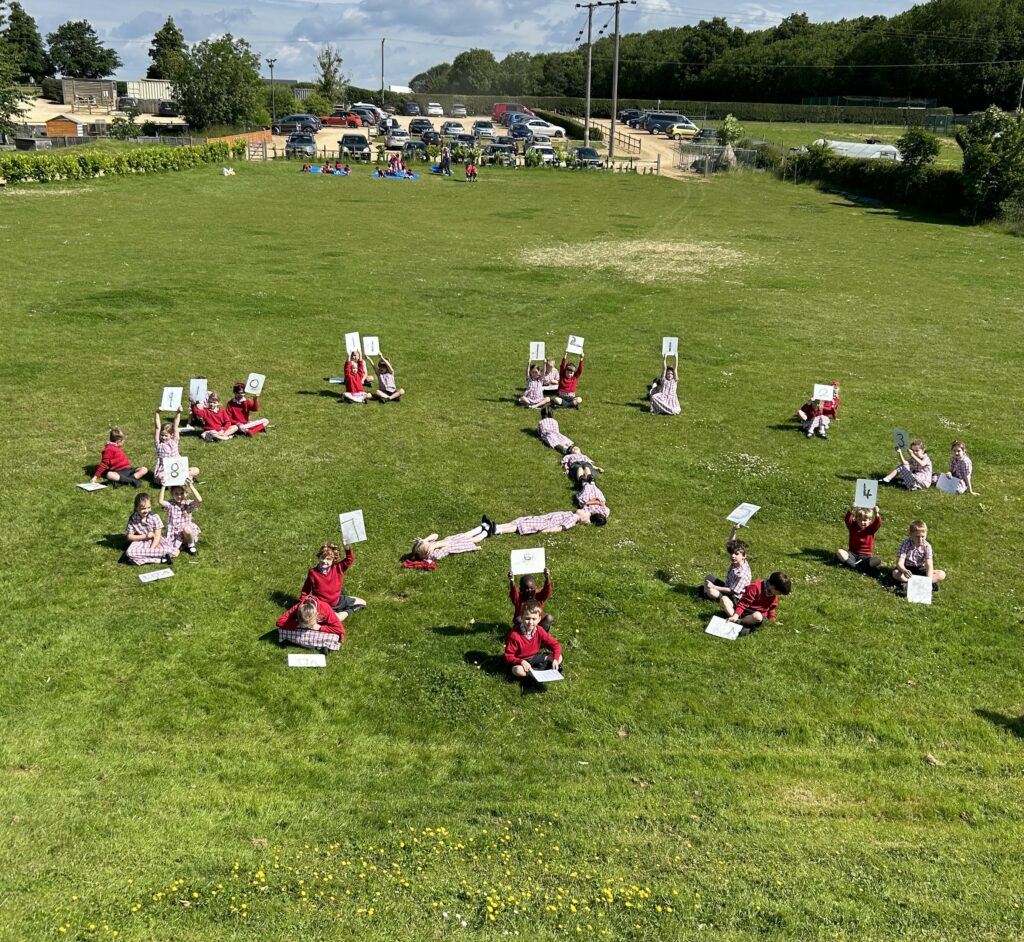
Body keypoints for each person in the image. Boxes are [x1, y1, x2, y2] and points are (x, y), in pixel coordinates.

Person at [301, 542, 366, 616]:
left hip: (337, 601)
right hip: (322, 606)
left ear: (333, 560)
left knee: (363, 603)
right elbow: (305, 590)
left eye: (328, 559)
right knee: (326, 618)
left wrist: (347, 548)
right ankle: (342, 613)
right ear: (319, 557)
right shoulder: (313, 573)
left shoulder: (338, 568)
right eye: (322, 558)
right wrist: (302, 603)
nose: (324, 561)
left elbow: (350, 559)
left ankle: (345, 611)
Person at [503, 602, 562, 681]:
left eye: (534, 619)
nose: (530, 622)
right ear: (522, 618)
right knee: (517, 670)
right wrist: (522, 662)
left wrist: (555, 659)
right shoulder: (514, 635)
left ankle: (534, 673)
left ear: (539, 619)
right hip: (519, 661)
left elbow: (555, 645)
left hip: (534, 657)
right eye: (527, 618)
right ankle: (537, 674)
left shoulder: (539, 630)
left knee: (559, 657)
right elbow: (508, 656)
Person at [703, 525, 751, 617]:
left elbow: (732, 591)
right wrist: (734, 530)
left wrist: (714, 587)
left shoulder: (742, 573)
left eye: (736, 554)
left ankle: (718, 598)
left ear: (744, 556)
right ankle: (711, 594)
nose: (733, 556)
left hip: (735, 598)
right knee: (708, 577)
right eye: (732, 553)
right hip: (727, 586)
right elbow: (731, 543)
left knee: (711, 591)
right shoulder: (738, 561)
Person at [727, 571, 792, 634]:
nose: (779, 594)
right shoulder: (755, 587)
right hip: (745, 610)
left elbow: (771, 609)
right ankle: (737, 619)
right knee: (724, 599)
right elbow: (743, 603)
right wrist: (736, 615)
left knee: (757, 616)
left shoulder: (773, 596)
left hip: (756, 616)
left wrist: (773, 620)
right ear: (773, 587)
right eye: (779, 592)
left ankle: (739, 621)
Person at [276, 596, 345, 652]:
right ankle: (317, 646)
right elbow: (280, 622)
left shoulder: (325, 609)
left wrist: (319, 627)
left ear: (317, 615)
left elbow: (340, 630)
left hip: (320, 631)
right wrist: (297, 624)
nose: (308, 627)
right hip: (301, 630)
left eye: (310, 625)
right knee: (281, 630)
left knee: (335, 637)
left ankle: (296, 643)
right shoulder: (297, 607)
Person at [892, 519, 946, 591]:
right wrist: (904, 570)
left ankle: (913, 584)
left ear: (926, 535)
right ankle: (920, 584)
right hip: (907, 568)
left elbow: (929, 565)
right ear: (911, 535)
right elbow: (899, 563)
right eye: (917, 537)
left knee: (941, 574)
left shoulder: (927, 546)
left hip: (920, 568)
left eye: (923, 537)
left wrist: (928, 579)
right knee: (895, 573)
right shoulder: (906, 544)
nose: (920, 539)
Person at [124, 492, 176, 565]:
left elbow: (157, 535)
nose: (146, 510)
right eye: (143, 508)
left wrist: (151, 549)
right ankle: (160, 560)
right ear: (136, 508)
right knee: (129, 552)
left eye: (149, 508)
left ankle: (140, 559)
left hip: (155, 541)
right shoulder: (133, 518)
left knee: (168, 550)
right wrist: (145, 536)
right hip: (140, 541)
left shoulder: (155, 517)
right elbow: (129, 537)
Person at [487, 507, 606, 536]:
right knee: (520, 521)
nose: (584, 509)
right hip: (542, 519)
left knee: (520, 526)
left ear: (585, 519)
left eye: (586, 512)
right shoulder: (573, 515)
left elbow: (561, 528)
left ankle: (498, 530)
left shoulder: (574, 518)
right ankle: (495, 526)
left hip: (545, 524)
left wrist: (546, 531)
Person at [153, 409, 198, 485]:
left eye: (166, 435)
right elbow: (157, 427)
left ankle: (180, 479)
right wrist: (157, 413)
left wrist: (178, 412)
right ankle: (183, 479)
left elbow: (176, 425)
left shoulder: (174, 441)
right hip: (165, 469)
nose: (163, 437)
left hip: (177, 467)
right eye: (162, 435)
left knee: (196, 470)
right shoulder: (159, 444)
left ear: (172, 435)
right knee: (161, 478)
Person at [409, 521, 491, 563]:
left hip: (452, 539)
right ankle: (486, 531)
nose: (430, 544)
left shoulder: (428, 545)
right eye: (428, 545)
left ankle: (483, 526)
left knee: (467, 534)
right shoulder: (434, 555)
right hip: (456, 545)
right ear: (426, 553)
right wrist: (435, 546)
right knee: (474, 540)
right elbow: (446, 545)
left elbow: (435, 535)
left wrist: (425, 540)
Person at [159, 481, 202, 557]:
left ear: (186, 493)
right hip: (174, 533)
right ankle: (183, 545)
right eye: (176, 494)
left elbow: (199, 500)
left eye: (182, 493)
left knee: (187, 529)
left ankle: (191, 545)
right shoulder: (170, 504)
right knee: (167, 548)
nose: (179, 496)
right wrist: (163, 486)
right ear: (172, 494)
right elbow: (161, 501)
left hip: (186, 532)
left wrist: (191, 485)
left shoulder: (188, 504)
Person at [837, 506, 882, 572]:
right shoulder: (853, 526)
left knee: (877, 560)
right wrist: (851, 509)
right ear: (856, 519)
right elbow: (847, 519)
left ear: (869, 520)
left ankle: (850, 565)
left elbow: (878, 523)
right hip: (852, 554)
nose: (862, 522)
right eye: (859, 520)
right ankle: (859, 568)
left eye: (865, 520)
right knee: (839, 552)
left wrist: (876, 513)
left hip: (866, 556)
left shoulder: (871, 528)